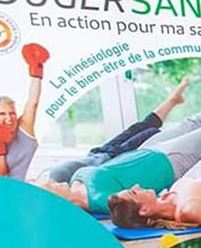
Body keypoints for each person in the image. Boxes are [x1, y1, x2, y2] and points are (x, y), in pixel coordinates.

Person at [39, 71, 201, 214]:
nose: (52, 182)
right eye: (50, 188)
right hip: (164, 165)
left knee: (193, 123)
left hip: (146, 151)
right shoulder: (102, 201)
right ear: (58, 203)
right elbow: (141, 210)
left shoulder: (75, 181)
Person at [46, 78, 190, 183]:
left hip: (97, 154)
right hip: (110, 161)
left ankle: (173, 100)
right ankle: (193, 129)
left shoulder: (46, 179)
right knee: (151, 133)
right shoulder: (56, 191)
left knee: (140, 127)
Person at [0, 43, 47, 180]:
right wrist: (0, 148)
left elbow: (33, 102)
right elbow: (0, 172)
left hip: (38, 184)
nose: (9, 117)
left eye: (12, 113)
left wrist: (36, 72)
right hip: (14, 188)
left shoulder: (24, 126)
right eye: (2, 114)